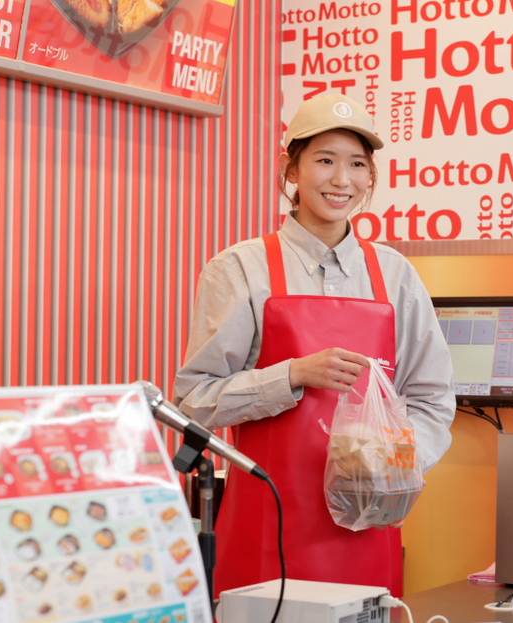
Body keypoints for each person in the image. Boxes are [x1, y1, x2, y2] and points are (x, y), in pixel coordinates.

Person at [172, 93, 455, 598]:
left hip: (369, 525)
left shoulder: (396, 275)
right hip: (268, 525)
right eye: (324, 161)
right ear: (291, 170)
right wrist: (292, 375)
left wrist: (393, 468)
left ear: (371, 176)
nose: (342, 180)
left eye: (357, 164)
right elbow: (194, 400)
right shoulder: (240, 268)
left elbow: (433, 400)